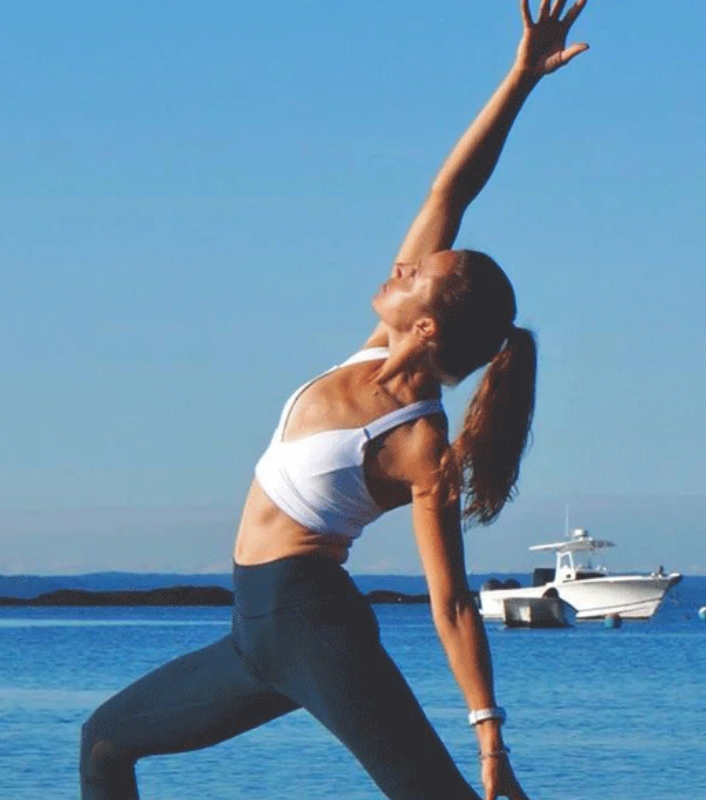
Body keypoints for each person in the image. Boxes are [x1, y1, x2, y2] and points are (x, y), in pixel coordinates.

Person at [80, 2, 591, 799]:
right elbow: (451, 187)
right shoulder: (379, 347)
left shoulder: (421, 446)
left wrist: (491, 742)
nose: (402, 264)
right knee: (106, 743)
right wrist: (519, 81)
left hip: (316, 629)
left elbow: (452, 602)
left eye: (417, 273)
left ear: (424, 325)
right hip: (253, 633)